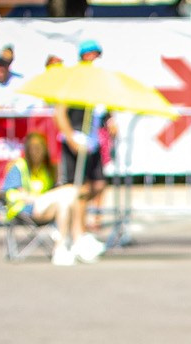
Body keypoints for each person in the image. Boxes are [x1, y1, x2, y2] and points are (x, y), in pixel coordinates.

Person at [53, 39, 111, 262]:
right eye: (93, 55)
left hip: (92, 140)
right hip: (76, 138)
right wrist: (70, 137)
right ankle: (78, 235)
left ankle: (79, 228)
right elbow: (60, 113)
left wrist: (110, 120)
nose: (96, 59)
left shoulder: (98, 83)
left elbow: (101, 111)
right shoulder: (73, 81)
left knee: (97, 185)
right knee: (79, 189)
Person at [3, 130, 91, 266]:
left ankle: (60, 248)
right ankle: (78, 239)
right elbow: (13, 194)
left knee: (64, 203)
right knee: (71, 191)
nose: (36, 152)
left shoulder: (47, 169)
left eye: (39, 148)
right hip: (24, 210)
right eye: (33, 148)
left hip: (45, 209)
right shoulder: (19, 167)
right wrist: (35, 198)